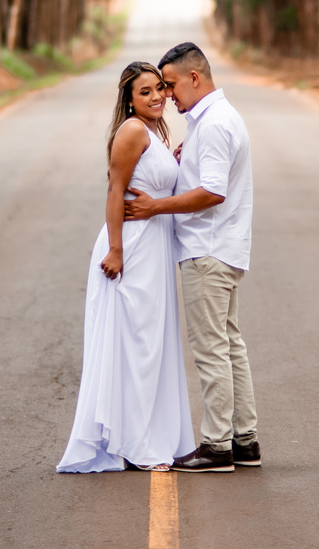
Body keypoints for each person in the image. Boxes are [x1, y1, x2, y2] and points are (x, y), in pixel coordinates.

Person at [124, 42, 258, 473]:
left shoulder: (215, 123)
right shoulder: (216, 119)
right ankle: (245, 439)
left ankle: (217, 445)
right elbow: (208, 177)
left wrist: (154, 207)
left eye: (171, 84)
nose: (166, 95)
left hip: (208, 251)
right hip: (225, 248)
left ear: (194, 78)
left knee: (212, 350)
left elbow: (213, 192)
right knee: (231, 346)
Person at [56, 62, 195, 473]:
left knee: (150, 343)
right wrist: (116, 250)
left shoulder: (153, 132)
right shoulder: (133, 130)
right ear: (129, 100)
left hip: (154, 248)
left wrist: (174, 160)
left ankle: (147, 434)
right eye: (145, 92)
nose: (156, 97)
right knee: (136, 344)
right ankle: (134, 441)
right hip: (133, 248)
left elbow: (151, 179)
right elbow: (116, 190)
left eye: (159, 89)